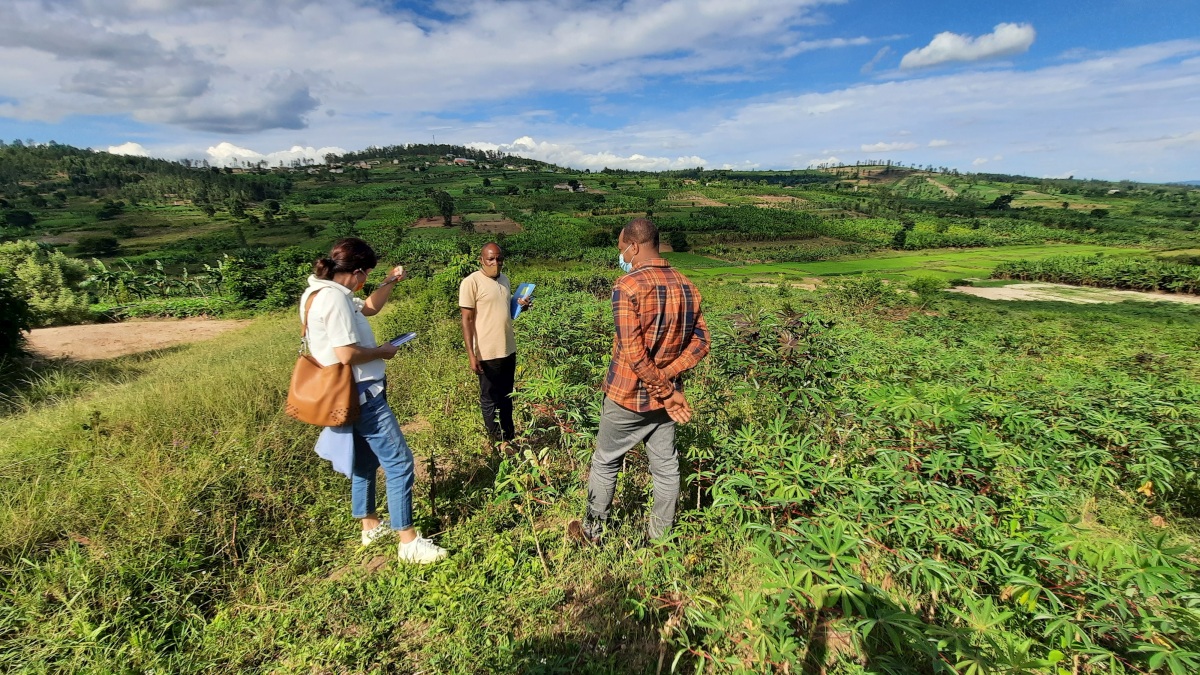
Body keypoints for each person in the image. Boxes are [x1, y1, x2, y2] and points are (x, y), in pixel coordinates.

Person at [300, 237, 447, 564]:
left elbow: (368, 308)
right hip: (364, 395)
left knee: (365, 461)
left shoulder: (318, 293)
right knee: (400, 462)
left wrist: (389, 283)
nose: (366, 281)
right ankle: (407, 541)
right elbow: (347, 353)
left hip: (342, 395)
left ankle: (369, 525)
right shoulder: (335, 300)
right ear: (356, 272)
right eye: (367, 274)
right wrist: (382, 351)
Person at [570, 218, 710, 544]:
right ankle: (660, 541)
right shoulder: (687, 286)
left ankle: (593, 534)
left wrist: (660, 385)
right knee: (666, 468)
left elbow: (633, 353)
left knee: (605, 462)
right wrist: (669, 384)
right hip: (667, 402)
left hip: (627, 396)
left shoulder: (627, 286)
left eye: (622, 249)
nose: (622, 256)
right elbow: (701, 342)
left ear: (633, 247)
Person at [458, 243, 530, 446]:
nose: (495, 263)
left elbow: (506, 312)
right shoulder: (471, 282)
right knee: (489, 398)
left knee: (507, 395)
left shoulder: (504, 280)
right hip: (486, 352)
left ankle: (509, 436)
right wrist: (472, 355)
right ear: (482, 260)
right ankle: (496, 441)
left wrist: (521, 307)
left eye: (499, 259)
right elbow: (467, 320)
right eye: (490, 259)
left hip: (508, 348)